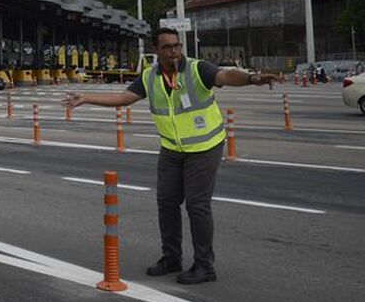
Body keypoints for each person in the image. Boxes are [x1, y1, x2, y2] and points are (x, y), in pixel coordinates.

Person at [62, 27, 277, 285]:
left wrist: (251, 79)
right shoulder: (150, 77)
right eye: (167, 47)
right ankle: (171, 257)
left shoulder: (198, 69)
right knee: (166, 202)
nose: (174, 50)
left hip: (205, 147)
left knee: (197, 205)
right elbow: (123, 97)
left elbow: (226, 75)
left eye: (176, 45)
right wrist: (86, 97)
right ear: (156, 50)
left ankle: (204, 265)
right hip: (172, 149)